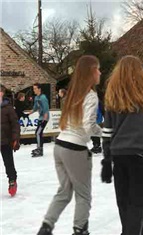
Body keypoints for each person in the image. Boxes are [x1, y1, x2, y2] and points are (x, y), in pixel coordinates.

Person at [37, 55, 102, 235]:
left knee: (64, 191)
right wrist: (103, 133)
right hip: (74, 149)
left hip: (60, 146)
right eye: (97, 69)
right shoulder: (91, 95)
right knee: (83, 195)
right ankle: (80, 230)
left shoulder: (73, 92)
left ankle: (45, 228)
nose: (100, 72)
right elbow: (88, 125)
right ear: (90, 72)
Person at [101, 55, 143, 235]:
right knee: (136, 204)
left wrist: (106, 157)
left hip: (119, 155)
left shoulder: (112, 98)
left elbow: (107, 131)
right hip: (140, 155)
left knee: (124, 203)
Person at [0, 85, 20, 197]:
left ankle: (12, 180)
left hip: (5, 140)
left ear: (1, 93)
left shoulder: (8, 108)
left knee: (8, 163)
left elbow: (15, 124)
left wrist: (15, 138)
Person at [28, 83, 50, 157]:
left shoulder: (43, 97)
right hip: (40, 117)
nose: (34, 90)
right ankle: (39, 148)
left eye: (35, 88)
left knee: (38, 133)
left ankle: (40, 149)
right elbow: (35, 108)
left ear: (39, 89)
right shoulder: (36, 98)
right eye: (33, 88)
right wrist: (28, 114)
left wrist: (45, 119)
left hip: (44, 118)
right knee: (38, 133)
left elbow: (46, 109)